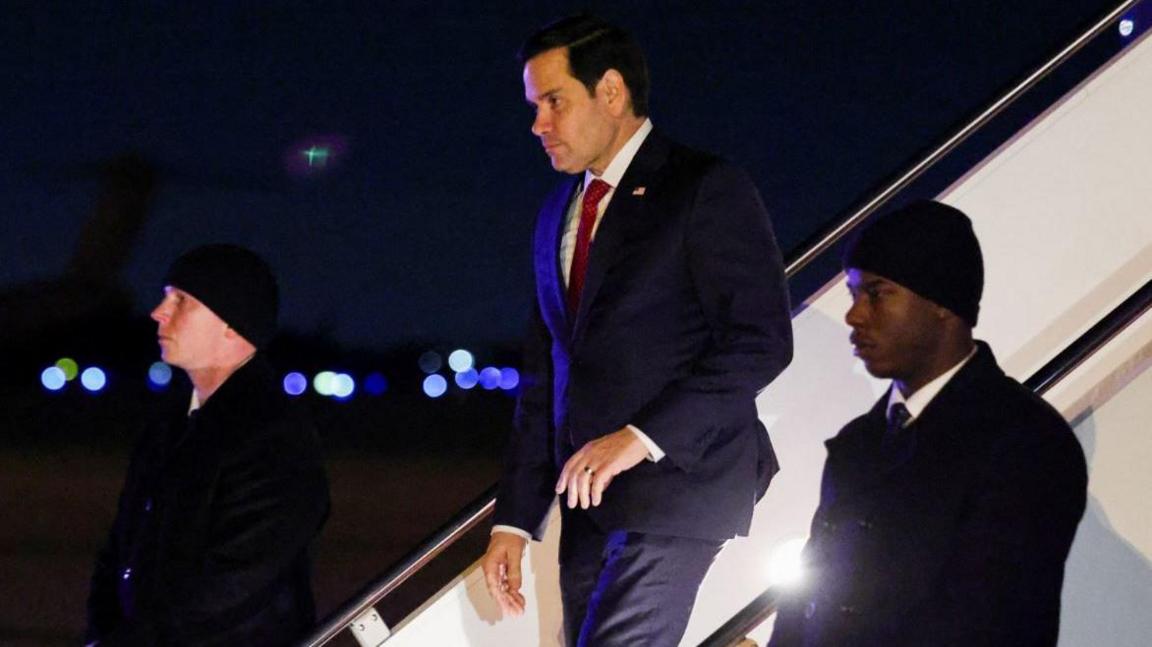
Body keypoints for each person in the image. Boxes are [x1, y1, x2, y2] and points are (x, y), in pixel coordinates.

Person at [481, 14, 793, 646]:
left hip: (678, 489)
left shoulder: (704, 187)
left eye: (554, 102)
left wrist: (640, 437)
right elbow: (545, 378)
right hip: (588, 505)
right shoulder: (556, 214)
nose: (538, 124)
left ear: (612, 92)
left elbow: (761, 340)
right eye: (535, 106)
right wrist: (512, 522)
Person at [770, 200, 1088, 646]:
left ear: (942, 303)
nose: (855, 315)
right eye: (854, 294)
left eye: (877, 293)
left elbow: (993, 622)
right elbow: (808, 599)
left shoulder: (1026, 441)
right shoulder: (859, 441)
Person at [85, 244, 330, 646]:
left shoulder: (275, 438)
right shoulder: (170, 424)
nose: (159, 312)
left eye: (181, 300)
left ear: (232, 325)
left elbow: (234, 583)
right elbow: (118, 552)